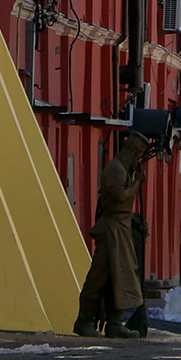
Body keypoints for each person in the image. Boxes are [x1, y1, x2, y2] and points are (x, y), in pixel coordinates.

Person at [75, 129, 150, 338]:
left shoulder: (124, 170)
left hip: (121, 229)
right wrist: (137, 182)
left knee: (118, 278)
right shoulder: (115, 169)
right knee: (99, 277)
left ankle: (115, 322)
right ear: (132, 151)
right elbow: (120, 196)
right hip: (110, 231)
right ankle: (84, 320)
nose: (138, 159)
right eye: (138, 154)